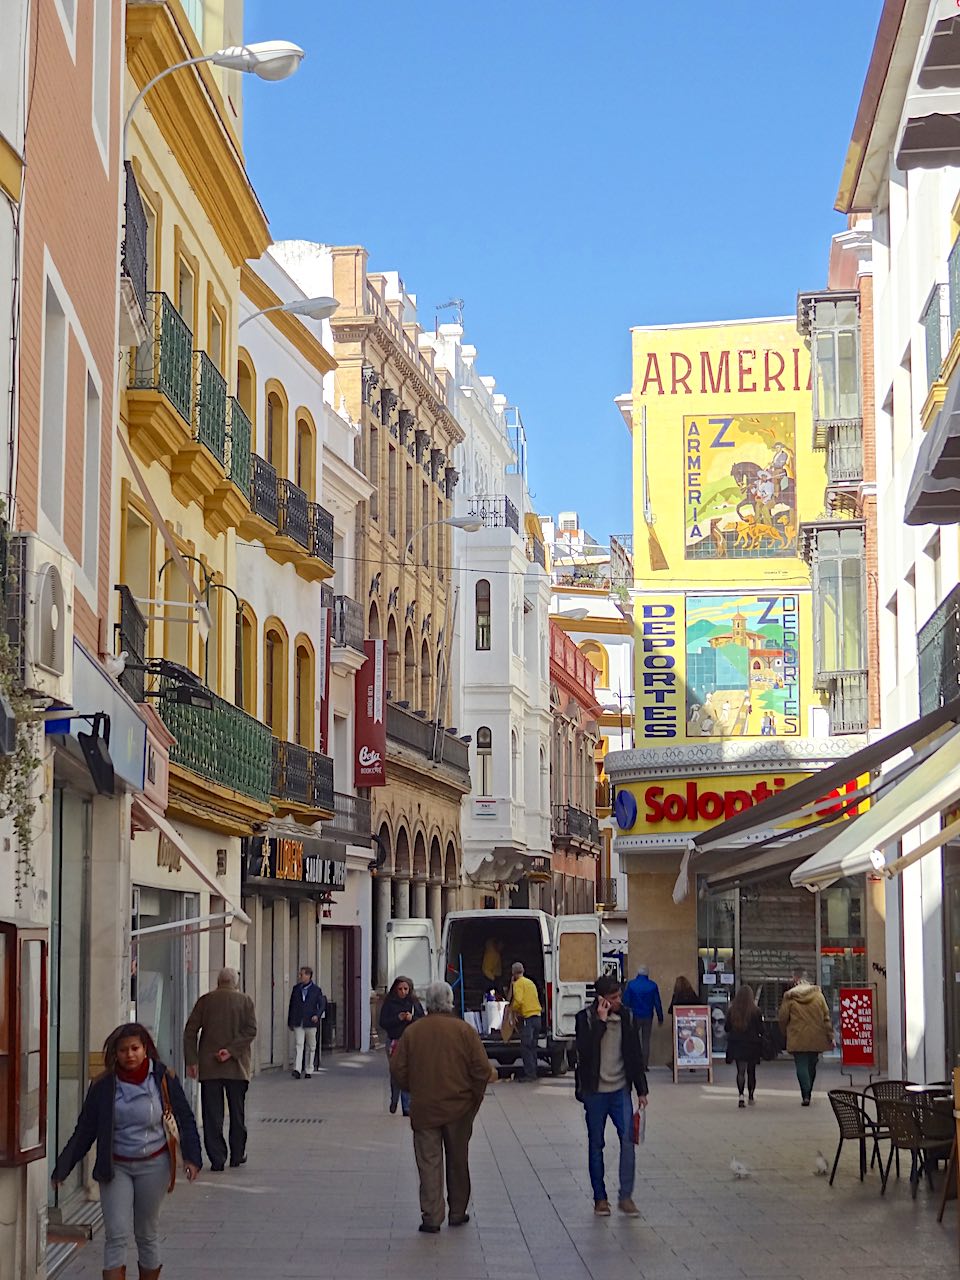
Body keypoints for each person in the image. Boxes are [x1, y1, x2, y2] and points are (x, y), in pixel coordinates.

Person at [52, 1023, 202, 1280]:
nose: (129, 1055)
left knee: (146, 1232)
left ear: (146, 1049)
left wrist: (192, 1158)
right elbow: (85, 1130)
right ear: (115, 1053)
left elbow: (185, 1118)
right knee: (116, 1234)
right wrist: (63, 1167)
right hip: (115, 1167)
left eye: (135, 1048)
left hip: (154, 1166)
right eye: (123, 1050)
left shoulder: (163, 1078)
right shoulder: (103, 1086)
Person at [390, 980, 496, 1233]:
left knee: (429, 1163)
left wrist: (413, 1087)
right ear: (449, 1001)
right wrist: (473, 1098)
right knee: (458, 1161)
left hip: (425, 1107)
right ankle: (457, 1211)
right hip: (459, 1109)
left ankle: (432, 1216)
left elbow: (397, 1068)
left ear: (427, 1002)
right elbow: (482, 1070)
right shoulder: (464, 1031)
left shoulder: (413, 1032)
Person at [574, 974, 649, 1218]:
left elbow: (634, 1054)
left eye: (619, 996)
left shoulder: (627, 1017)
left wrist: (642, 1090)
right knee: (596, 1143)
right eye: (613, 997)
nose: (618, 1001)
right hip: (595, 1092)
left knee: (628, 1139)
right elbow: (584, 1052)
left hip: (620, 1089)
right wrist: (601, 1022)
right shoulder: (585, 1019)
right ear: (601, 999)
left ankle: (626, 1196)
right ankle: (600, 1198)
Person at [183, 967, 257, 1171]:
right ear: (235, 982)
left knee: (212, 1114)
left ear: (218, 982)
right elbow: (251, 1030)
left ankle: (217, 1158)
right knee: (237, 1112)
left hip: (210, 1066)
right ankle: (237, 1154)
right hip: (237, 1066)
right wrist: (231, 1051)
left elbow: (190, 1031)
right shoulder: (245, 1001)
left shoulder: (205, 1001)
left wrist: (192, 1060)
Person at [778, 970, 834, 1106]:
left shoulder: (789, 997)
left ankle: (805, 1094)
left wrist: (785, 1032)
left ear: (796, 981)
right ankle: (809, 1090)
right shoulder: (818, 996)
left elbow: (783, 1017)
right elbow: (826, 1017)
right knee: (812, 1064)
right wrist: (830, 1035)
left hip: (797, 1035)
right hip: (816, 1035)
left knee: (801, 1065)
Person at [379, 975, 425, 1115]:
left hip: (410, 1041)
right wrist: (397, 1018)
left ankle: (407, 1106)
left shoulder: (414, 1003)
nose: (403, 992)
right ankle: (394, 1099)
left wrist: (412, 1018)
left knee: (407, 1073)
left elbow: (423, 1021)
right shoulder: (389, 1003)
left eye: (406, 989)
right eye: (400, 989)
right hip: (394, 1040)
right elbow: (383, 1022)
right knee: (395, 1072)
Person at [724, 986, 763, 1108]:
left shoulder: (732, 1010)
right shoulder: (755, 1011)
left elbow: (727, 1028)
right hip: (752, 1044)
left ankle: (741, 1096)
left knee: (740, 1071)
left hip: (737, 1044)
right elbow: (761, 1029)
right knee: (751, 1072)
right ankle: (751, 1096)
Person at [287, 965, 327, 1079]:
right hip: (298, 1021)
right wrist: (290, 1021)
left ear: (308, 976)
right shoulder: (296, 989)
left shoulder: (316, 990)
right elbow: (292, 1006)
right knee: (299, 1044)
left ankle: (309, 1069)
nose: (300, 976)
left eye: (302, 974)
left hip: (310, 1021)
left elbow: (322, 1004)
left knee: (311, 1046)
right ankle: (297, 1069)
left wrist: (317, 1015)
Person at [508, 961, 542, 1082]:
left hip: (529, 1018)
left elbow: (518, 1001)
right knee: (533, 1046)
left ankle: (530, 1074)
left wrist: (512, 1010)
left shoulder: (518, 984)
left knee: (525, 1047)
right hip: (538, 1017)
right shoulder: (530, 982)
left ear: (513, 973)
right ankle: (534, 1072)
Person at [622, 965, 663, 1066]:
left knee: (633, 1040)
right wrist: (660, 1017)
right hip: (648, 1015)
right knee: (646, 1040)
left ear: (638, 973)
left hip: (634, 1015)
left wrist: (625, 1014)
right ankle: (644, 1064)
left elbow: (626, 1001)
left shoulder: (631, 985)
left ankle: (634, 1063)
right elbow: (657, 1002)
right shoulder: (652, 985)